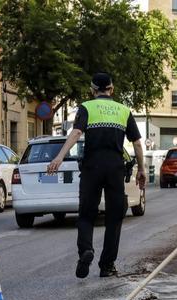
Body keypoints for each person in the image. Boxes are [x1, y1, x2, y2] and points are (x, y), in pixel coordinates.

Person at [47, 72, 146, 278]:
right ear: (112, 89)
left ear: (92, 90)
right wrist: (142, 170)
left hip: (92, 167)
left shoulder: (86, 107)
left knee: (86, 214)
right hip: (115, 168)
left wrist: (59, 157)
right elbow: (136, 142)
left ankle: (86, 250)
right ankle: (107, 265)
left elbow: (76, 133)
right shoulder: (123, 110)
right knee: (114, 217)